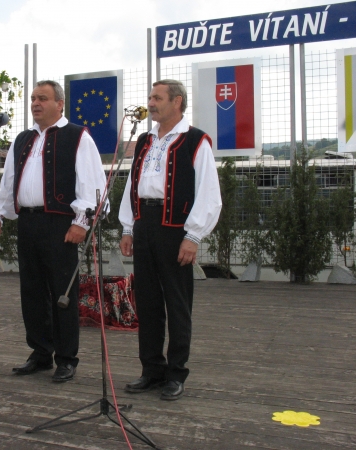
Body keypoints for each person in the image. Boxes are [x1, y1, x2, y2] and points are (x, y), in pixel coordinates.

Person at [0, 80, 107, 383]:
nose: (35, 103)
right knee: (32, 291)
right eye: (33, 98)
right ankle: (40, 352)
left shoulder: (77, 136)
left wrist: (81, 222)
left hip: (60, 225)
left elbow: (92, 182)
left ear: (59, 104)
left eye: (42, 98)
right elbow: (9, 181)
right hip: (28, 222)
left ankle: (66, 358)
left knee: (62, 292)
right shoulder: (23, 139)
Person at [119, 80, 221, 400]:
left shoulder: (195, 140)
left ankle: (176, 373)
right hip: (144, 224)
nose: (151, 103)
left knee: (177, 303)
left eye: (157, 98)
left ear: (177, 102)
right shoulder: (145, 140)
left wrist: (193, 236)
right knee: (147, 302)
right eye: (150, 97)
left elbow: (209, 193)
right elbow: (132, 184)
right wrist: (127, 227)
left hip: (176, 229)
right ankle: (151, 370)